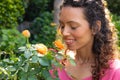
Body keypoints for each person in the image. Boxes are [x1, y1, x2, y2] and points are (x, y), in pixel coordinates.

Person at [50, 0, 120, 80]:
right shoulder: (55, 65)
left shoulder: (115, 72)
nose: (64, 33)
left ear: (95, 27)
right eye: (62, 26)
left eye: (73, 27)